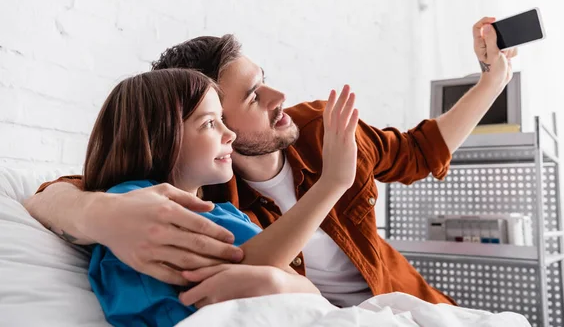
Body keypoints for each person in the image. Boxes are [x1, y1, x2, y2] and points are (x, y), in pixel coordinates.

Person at [25, 17, 516, 308]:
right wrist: (102, 216)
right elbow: (56, 194)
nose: (281, 96)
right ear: (209, 119)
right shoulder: (202, 189)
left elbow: (417, 150)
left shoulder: (326, 130)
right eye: (256, 95)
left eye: (268, 79)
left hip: (402, 305)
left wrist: (493, 79)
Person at [83, 67, 365, 326]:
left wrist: (277, 282)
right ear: (158, 138)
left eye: (222, 119)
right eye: (209, 123)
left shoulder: (227, 213)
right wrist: (333, 183)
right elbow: (238, 278)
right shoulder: (131, 202)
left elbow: (300, 288)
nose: (229, 134)